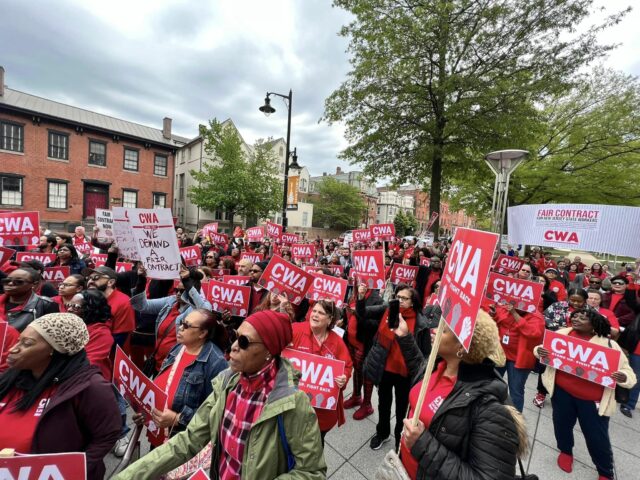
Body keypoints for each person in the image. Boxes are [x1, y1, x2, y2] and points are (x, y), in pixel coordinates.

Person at [115, 310, 327, 480]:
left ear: (269, 352)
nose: (233, 347)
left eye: (244, 342)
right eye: (236, 337)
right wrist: (129, 475)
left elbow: (312, 472)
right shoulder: (226, 385)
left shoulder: (293, 403)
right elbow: (187, 442)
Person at [397, 310, 524, 479]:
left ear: (461, 347)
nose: (434, 329)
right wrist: (405, 337)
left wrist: (422, 444)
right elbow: (422, 377)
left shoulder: (489, 409)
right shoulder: (439, 363)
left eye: (444, 330)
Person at [0, 313, 121, 479]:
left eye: (27, 344)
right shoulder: (10, 378)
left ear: (54, 350)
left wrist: (70, 471)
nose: (13, 349)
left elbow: (107, 435)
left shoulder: (90, 387)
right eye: (19, 340)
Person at [534, 308, 636, 480]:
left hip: (592, 400)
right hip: (562, 393)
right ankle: (566, 451)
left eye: (583, 318)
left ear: (594, 325)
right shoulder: (562, 334)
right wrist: (540, 351)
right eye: (575, 316)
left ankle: (605, 472)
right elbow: (541, 349)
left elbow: (630, 375)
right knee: (561, 425)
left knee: (597, 438)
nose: (577, 319)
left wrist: (623, 376)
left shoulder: (610, 345)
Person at [132, 309, 228, 447]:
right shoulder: (178, 348)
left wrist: (177, 418)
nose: (180, 327)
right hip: (159, 436)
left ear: (202, 333)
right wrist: (144, 410)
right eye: (181, 322)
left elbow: (217, 412)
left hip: (181, 444)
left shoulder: (216, 363)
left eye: (187, 325)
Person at [362, 284, 432, 450]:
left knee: (402, 410)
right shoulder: (388, 310)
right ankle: (382, 433)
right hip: (385, 369)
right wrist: (361, 295)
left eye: (404, 298)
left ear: (413, 302)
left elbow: (424, 355)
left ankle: (399, 441)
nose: (400, 300)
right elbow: (364, 312)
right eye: (398, 297)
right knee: (383, 404)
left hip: (405, 375)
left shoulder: (421, 323)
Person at [291, 300, 352, 444]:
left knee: (315, 446)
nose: (315, 315)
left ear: (330, 319)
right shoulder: (295, 330)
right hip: (294, 407)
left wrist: (344, 378)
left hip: (321, 413)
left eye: (321, 313)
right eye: (314, 311)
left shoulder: (337, 342)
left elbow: (347, 366)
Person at [130, 266, 211, 374]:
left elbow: (205, 310)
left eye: (182, 291)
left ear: (191, 291)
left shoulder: (196, 310)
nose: (177, 293)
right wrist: (141, 280)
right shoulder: (171, 301)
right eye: (176, 290)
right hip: (158, 362)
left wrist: (187, 281)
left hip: (177, 368)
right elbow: (142, 306)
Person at [490, 302, 545, 412]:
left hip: (518, 360)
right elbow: (497, 319)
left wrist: (515, 314)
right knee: (491, 384)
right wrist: (493, 314)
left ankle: (515, 420)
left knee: (516, 391)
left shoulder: (536, 316)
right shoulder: (506, 308)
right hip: (500, 354)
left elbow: (534, 333)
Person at [343, 279, 383, 421]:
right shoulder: (353, 295)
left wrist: (358, 313)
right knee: (356, 370)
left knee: (366, 373)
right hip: (351, 341)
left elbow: (375, 326)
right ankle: (356, 396)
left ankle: (367, 405)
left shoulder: (377, 300)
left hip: (363, 344)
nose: (360, 284)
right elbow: (347, 315)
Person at [66, 289, 114, 381]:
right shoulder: (74, 324)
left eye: (76, 307)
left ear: (90, 309)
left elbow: (89, 362)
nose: (69, 309)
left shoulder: (101, 333)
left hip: (88, 380)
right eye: (69, 305)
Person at [85, 266, 135, 351]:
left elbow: (119, 338)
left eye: (96, 277)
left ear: (110, 282)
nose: (90, 281)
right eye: (89, 278)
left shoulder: (123, 302)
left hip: (107, 355)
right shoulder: (86, 297)